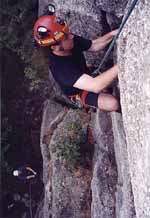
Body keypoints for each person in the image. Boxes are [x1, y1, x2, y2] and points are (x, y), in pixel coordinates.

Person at [33, 12, 119, 111]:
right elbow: (96, 85)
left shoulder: (68, 41)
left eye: (67, 32)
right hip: (79, 92)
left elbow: (94, 45)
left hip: (85, 75)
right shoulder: (61, 70)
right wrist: (120, 66)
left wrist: (114, 34)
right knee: (112, 104)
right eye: (66, 37)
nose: (71, 36)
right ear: (55, 47)